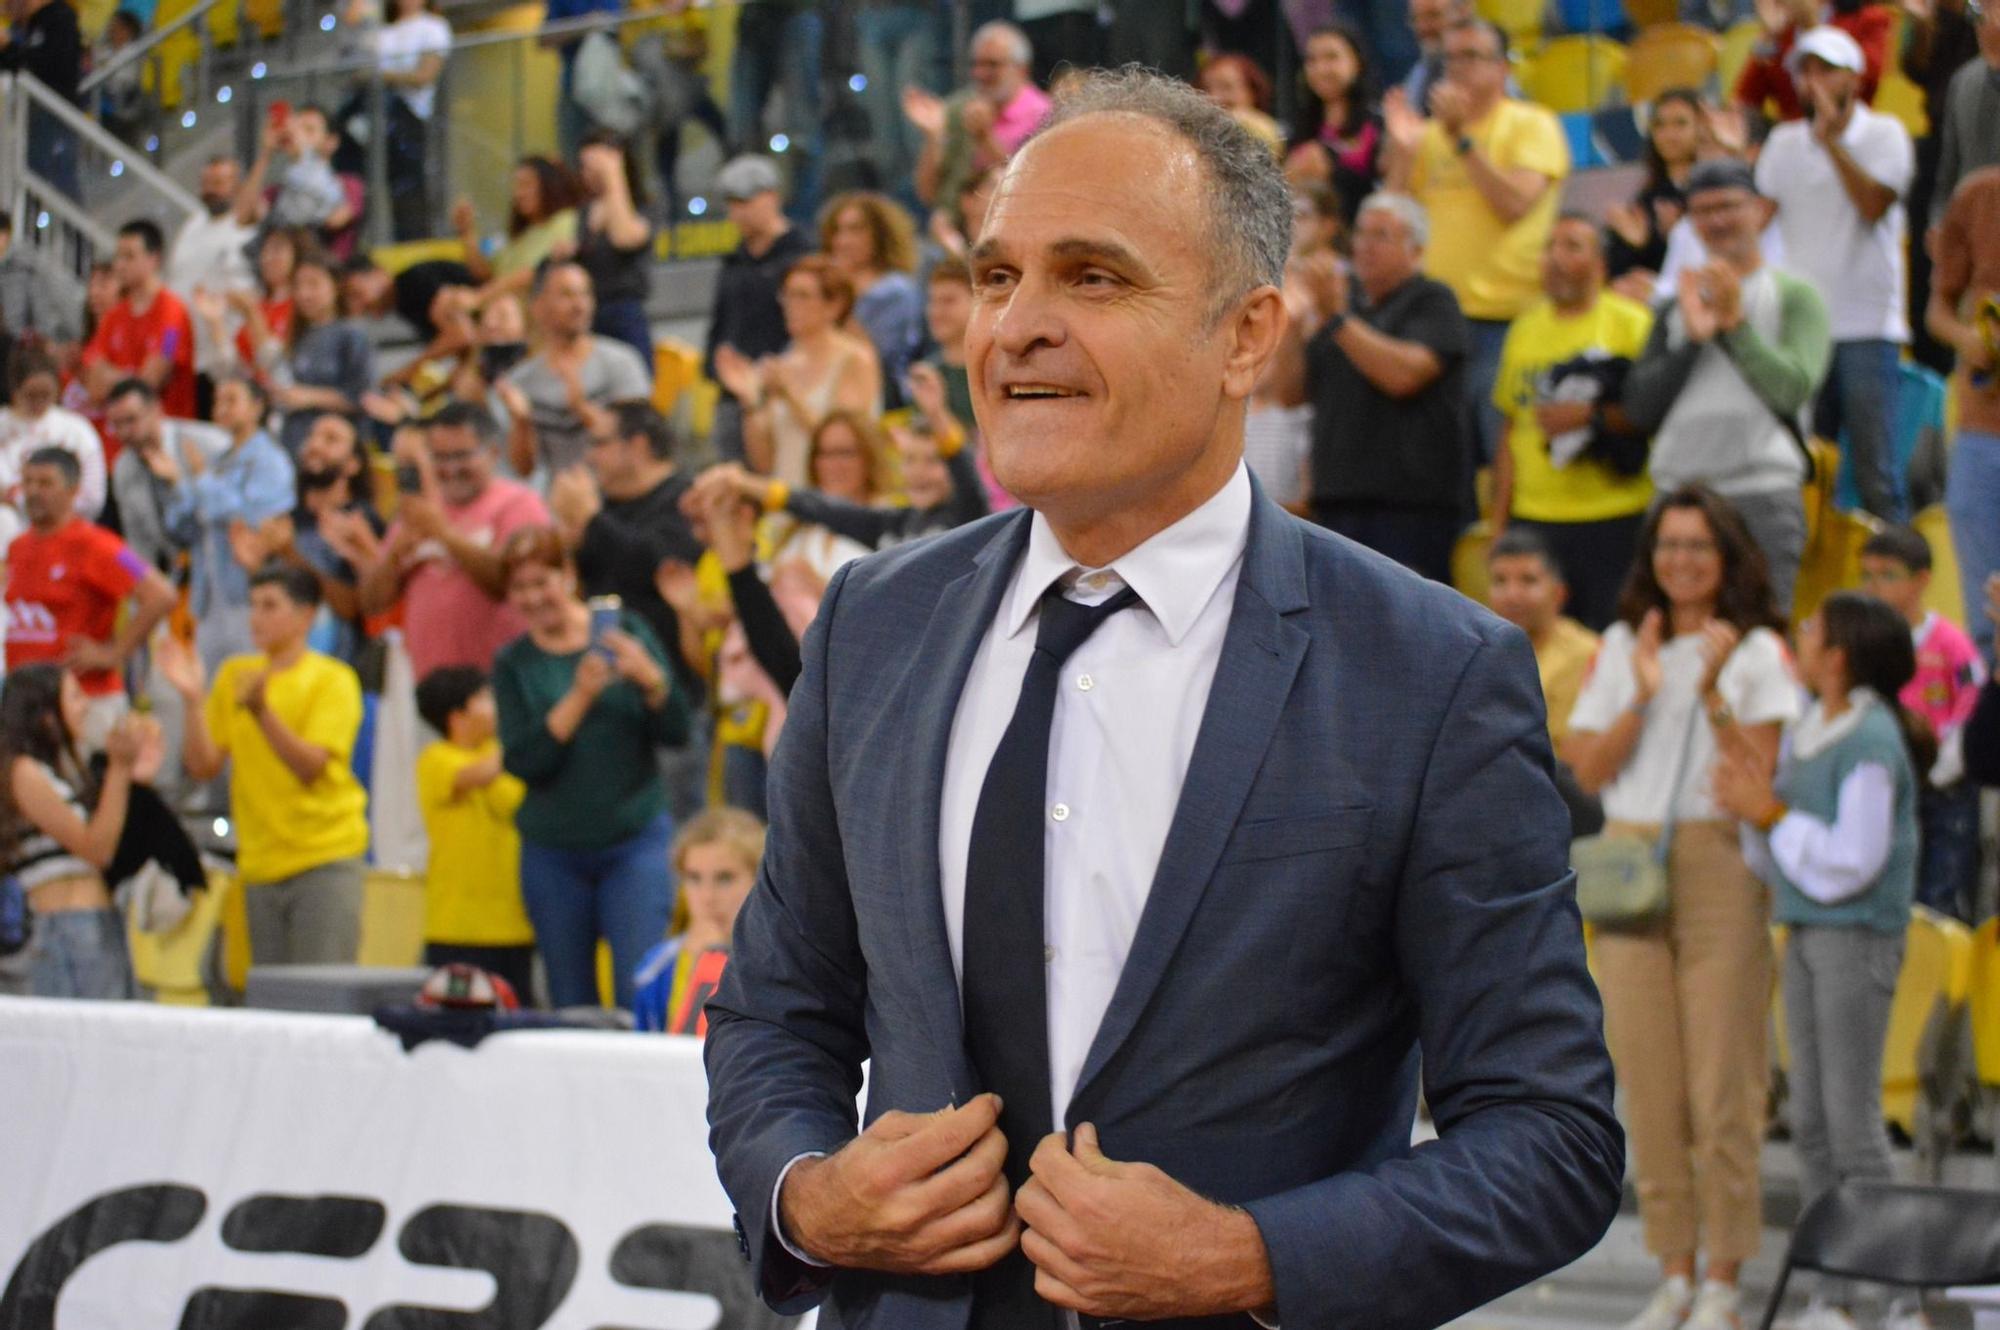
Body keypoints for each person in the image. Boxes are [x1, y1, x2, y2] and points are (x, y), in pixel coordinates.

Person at [704, 67, 1621, 1330]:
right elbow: (773, 1010)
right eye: (993, 276)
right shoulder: (873, 623)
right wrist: (805, 1196)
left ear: (1247, 334)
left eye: (1091, 277)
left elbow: (1552, 1135)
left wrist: (1254, 1256)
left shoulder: (1430, 671)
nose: (1015, 325)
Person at [1563, 485, 1801, 1330]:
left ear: (1729, 557)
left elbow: (1756, 779)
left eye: (1700, 545)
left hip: (1718, 862)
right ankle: (1672, 1274)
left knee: (1722, 1085)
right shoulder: (1627, 642)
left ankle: (1724, 1285)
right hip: (1629, 859)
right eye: (1669, 544)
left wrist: (1708, 694)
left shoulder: (1761, 651)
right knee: (1650, 1087)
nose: (1682, 560)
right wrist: (1644, 691)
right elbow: (1587, 771)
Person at [1714, 591, 1927, 1330]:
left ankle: (1903, 1295)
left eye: (1810, 630)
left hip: (1855, 935)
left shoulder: (1871, 738)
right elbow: (1784, 852)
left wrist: (1771, 816)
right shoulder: (1812, 728)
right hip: (1804, 932)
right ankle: (1832, 1288)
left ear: (1837, 655)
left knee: (1853, 1121)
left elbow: (1853, 860)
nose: (1799, 638)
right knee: (1809, 1122)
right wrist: (1754, 812)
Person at [492, 526, 691, 1010]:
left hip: (634, 841)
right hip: (553, 854)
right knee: (570, 1001)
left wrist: (652, 681)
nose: (534, 597)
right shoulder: (514, 664)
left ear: (569, 575)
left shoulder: (628, 633)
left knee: (640, 989)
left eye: (543, 581)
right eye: (520, 587)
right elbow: (524, 762)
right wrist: (580, 696)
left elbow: (677, 731)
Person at [1623, 158, 1832, 616]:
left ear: (1759, 210)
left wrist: (1735, 326)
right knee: (1675, 638)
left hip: (1761, 489)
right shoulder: (1673, 302)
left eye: (1729, 206)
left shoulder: (1795, 294)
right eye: (1702, 210)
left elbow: (1792, 388)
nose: (1717, 220)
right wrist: (1693, 342)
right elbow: (1639, 407)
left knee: (1767, 634)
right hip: (1678, 492)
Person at [159, 563, 371, 966]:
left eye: (270, 606)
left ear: (306, 615)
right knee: (268, 999)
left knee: (321, 994)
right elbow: (203, 766)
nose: (256, 617)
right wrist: (191, 701)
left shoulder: (333, 679)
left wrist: (262, 712)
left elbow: (311, 767)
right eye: (253, 605)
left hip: (323, 856)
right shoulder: (236, 673)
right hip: (258, 861)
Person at [1384, 18, 1569, 465]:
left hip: (1504, 320)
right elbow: (1392, 217)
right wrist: (1403, 153)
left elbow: (1514, 205)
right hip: (1435, 322)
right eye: (1451, 58)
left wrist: (1462, 141)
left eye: (1472, 56)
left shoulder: (1532, 123)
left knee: (1502, 452)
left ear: (1503, 69)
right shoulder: (1429, 136)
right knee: (1441, 464)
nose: (1458, 68)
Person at [1756, 27, 1915, 525]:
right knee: (1800, 471)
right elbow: (1758, 221)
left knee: (1876, 476)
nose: (1814, 82)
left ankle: (1893, 591)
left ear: (1855, 76)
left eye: (1826, 69)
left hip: (1868, 326)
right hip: (1801, 330)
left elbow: (1872, 205)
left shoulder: (1885, 133)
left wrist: (1830, 145)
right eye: (1805, 71)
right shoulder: (1782, 143)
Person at [1273, 191, 1472, 583]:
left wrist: (1334, 318)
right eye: (1360, 234)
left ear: (1416, 250)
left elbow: (1404, 377)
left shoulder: (1432, 300)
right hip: (1335, 503)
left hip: (1408, 509)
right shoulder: (1350, 313)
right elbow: (1290, 393)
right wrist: (1293, 327)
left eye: (1380, 236)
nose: (1364, 246)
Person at [1491, 214, 1655, 632]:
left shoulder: (1633, 323)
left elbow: (1651, 414)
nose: (1555, 258)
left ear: (1601, 262)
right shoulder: (1524, 329)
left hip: (1614, 515)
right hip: (1535, 517)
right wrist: (1499, 522)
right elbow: (1511, 429)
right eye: (1549, 247)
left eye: (1572, 247)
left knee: (1610, 639)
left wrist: (1591, 416)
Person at [358, 401, 549, 679]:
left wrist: (443, 534)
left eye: (461, 455)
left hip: (502, 682)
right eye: (440, 457)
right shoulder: (417, 511)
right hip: (427, 685)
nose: (450, 468)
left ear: (493, 453)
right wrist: (395, 555)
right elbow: (373, 603)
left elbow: (511, 582)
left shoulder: (519, 503)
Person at [0, 667, 159, 998]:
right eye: (74, 695)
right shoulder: (22, 771)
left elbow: (110, 844)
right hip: (65, 929)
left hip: (92, 922)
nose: (86, 705)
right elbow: (96, 849)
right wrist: (119, 768)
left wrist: (133, 778)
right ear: (44, 715)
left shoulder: (62, 771)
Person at [5, 448, 174, 743]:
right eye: (28, 482)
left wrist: (114, 653)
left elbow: (161, 593)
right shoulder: (17, 547)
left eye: (45, 483)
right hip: (27, 706)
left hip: (88, 702)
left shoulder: (101, 544)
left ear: (73, 490)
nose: (33, 492)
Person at [1858, 526, 1983, 922]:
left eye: (1888, 575)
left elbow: (1971, 694)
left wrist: (1952, 756)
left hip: (1941, 782)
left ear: (1922, 580)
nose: (1874, 587)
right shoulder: (1866, 640)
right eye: (1867, 575)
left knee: (1938, 888)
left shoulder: (1949, 641)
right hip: (1888, 777)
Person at [552, 398, 705, 696]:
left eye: (599, 444)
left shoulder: (688, 500)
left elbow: (661, 566)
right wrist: (569, 543)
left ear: (637, 445)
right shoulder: (605, 508)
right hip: (605, 685)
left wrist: (591, 519)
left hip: (670, 686)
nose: (590, 457)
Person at [413, 664, 535, 1001]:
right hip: (454, 927)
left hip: (513, 926)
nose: (495, 705)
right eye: (483, 698)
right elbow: (472, 776)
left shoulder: (496, 754)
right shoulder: (435, 759)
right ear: (457, 714)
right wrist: (529, 739)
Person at [160, 375, 297, 672]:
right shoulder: (214, 462)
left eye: (231, 400)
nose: (221, 408)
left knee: (250, 680)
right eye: (217, 401)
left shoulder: (270, 460)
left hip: (249, 594)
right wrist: (179, 484)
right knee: (213, 691)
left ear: (257, 407)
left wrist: (201, 480)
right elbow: (182, 529)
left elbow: (254, 522)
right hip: (207, 594)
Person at [712, 257, 881, 489]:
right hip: (787, 501)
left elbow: (845, 444)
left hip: (835, 504)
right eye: (787, 295)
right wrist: (750, 402)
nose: (791, 305)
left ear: (834, 305)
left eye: (802, 296)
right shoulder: (781, 365)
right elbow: (765, 462)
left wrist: (790, 395)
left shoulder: (855, 359)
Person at [705, 155, 814, 465]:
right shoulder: (733, 262)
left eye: (745, 200)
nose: (738, 212)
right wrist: (717, 367)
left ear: (772, 196)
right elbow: (720, 323)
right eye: (732, 203)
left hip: (784, 390)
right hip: (733, 393)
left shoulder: (801, 256)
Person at [1932, 164, 2000, 661]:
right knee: (1985, 614)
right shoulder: (1977, 194)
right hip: (1981, 433)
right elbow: (1937, 307)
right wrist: (1966, 338)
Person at [497, 263, 651, 478]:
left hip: (618, 493)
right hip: (559, 498)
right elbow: (524, 469)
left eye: (585, 295)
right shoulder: (522, 379)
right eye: (566, 295)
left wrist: (580, 407)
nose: (579, 305)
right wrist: (522, 423)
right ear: (538, 307)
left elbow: (639, 443)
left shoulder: (622, 361)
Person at [1900, 0, 1982, 373]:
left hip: (1986, 150)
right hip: (1938, 152)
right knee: (1929, 274)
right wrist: (1923, 23)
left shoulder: (1978, 19)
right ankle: (1932, 379)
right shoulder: (1931, 17)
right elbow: (1914, 68)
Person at [631, 805, 764, 1034]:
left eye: (725, 878)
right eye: (694, 878)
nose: (707, 897)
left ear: (759, 880)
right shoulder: (657, 968)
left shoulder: (782, 961)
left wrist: (719, 959)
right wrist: (695, 967)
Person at [907, 21, 1052, 212]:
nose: (980, 73)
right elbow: (928, 193)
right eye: (975, 64)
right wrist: (933, 136)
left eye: (992, 65)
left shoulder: (1045, 115)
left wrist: (985, 139)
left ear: (1021, 69)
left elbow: (1034, 191)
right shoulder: (958, 109)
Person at [343, 0, 451, 240]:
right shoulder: (382, 31)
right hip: (372, 114)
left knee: (407, 190)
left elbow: (425, 75)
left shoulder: (433, 26)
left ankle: (412, 245)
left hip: (407, 116)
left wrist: (380, 76)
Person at [1485, 527, 1599, 747]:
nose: (1512, 595)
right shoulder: (1475, 652)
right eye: (1500, 581)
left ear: (1559, 593)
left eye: (1528, 580)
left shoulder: (1589, 654)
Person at [166, 156, 260, 412]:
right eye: (206, 183)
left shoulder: (244, 230)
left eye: (219, 183)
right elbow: (175, 291)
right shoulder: (192, 225)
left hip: (224, 355)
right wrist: (168, 350)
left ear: (237, 187)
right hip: (184, 356)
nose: (211, 190)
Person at [102, 377, 223, 575]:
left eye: (131, 420)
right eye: (116, 424)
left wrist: (178, 483)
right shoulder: (123, 468)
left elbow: (226, 517)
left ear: (156, 410)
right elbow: (138, 543)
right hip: (176, 573)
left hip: (223, 565)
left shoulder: (209, 444)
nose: (124, 432)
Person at [259, 250, 374, 456]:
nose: (305, 294)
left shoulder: (351, 334)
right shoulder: (298, 336)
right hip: (294, 443)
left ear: (336, 286)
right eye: (298, 286)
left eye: (314, 284)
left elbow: (363, 397)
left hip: (335, 450)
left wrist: (309, 397)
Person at [80, 219, 197, 422]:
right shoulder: (113, 316)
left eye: (129, 257)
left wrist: (112, 375)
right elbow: (93, 386)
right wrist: (132, 377)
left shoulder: (173, 314)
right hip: (118, 436)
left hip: (164, 429)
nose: (119, 265)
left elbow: (152, 381)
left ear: (154, 259)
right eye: (118, 256)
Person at [820, 191, 924, 410]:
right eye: (838, 231)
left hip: (882, 401)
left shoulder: (896, 290)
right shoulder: (823, 284)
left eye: (855, 230)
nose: (843, 241)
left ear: (880, 234)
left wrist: (841, 294)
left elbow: (876, 356)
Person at [727, 0, 824, 223]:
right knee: (742, 131)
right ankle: (752, 216)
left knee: (803, 131)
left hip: (795, 16)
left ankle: (803, 219)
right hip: (752, 22)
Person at [0, 345, 107, 535]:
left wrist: (18, 497)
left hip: (68, 532)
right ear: (15, 389)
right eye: (31, 395)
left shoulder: (77, 430)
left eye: (46, 394)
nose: (39, 402)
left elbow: (93, 498)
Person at [1284, 24, 1383, 228]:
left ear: (1357, 63)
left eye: (1332, 57)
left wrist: (1331, 166)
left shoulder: (1377, 124)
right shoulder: (1301, 128)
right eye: (1312, 60)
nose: (1321, 69)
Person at [453, 156, 582, 311]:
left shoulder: (566, 220)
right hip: (498, 316)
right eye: (517, 186)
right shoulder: (516, 236)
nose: (519, 193)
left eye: (527, 184)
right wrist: (467, 231)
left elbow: (537, 272)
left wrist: (479, 298)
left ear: (548, 184)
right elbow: (485, 274)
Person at [571, 131, 657, 366]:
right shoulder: (585, 210)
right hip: (588, 313)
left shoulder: (641, 207)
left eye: (594, 166)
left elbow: (624, 237)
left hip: (623, 312)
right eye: (585, 167)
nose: (588, 174)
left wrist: (612, 174)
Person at [1606, 88, 1704, 286]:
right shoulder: (1648, 200)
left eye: (1681, 123)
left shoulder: (1714, 191)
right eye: (1660, 125)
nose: (1669, 134)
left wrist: (1678, 235)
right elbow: (1621, 275)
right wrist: (1637, 245)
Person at [236, 104, 362, 255]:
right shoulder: (279, 191)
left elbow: (334, 219)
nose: (296, 134)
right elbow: (242, 215)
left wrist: (303, 154)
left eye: (308, 130)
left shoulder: (349, 184)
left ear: (331, 142)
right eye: (296, 128)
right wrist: (266, 153)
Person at [1735, 0, 1892, 120]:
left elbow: (1862, 78)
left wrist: (1811, 26)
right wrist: (1768, 39)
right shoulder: (1781, 29)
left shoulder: (1868, 18)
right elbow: (1746, 100)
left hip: (1846, 131)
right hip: (1794, 136)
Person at [1926, 0, 1999, 223]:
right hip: (1974, 239)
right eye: (1979, 12)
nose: (1986, 21)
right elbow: (1949, 173)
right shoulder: (1963, 81)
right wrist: (1940, 225)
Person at [337, 252, 475, 344]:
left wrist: (404, 373)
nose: (357, 307)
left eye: (356, 294)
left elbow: (460, 335)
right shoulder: (402, 305)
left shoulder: (413, 281)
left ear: (378, 273)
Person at [0, 210, 80, 357]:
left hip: (19, 346)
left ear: (5, 235)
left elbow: (40, 305)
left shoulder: (25, 266)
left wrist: (43, 338)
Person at [1200, 52, 1283, 157]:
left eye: (1226, 87)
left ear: (1252, 91)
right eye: (1205, 88)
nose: (1214, 97)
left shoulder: (1264, 130)